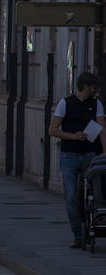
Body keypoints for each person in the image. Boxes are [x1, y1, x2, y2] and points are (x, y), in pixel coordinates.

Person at [47, 72, 106, 247]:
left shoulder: (97, 104)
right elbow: (52, 129)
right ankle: (77, 234)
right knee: (71, 196)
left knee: (95, 194)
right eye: (94, 86)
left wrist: (104, 152)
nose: (95, 90)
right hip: (70, 154)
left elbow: (102, 128)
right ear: (86, 86)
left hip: (90, 155)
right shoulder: (65, 103)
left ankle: (92, 225)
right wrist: (73, 136)